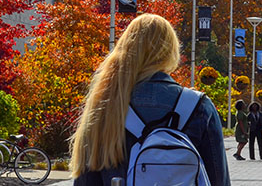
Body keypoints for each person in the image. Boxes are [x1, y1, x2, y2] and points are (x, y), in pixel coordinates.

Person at [70, 14, 230, 186]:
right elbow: (218, 179)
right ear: (171, 51)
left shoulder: (106, 105)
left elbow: (86, 180)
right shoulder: (198, 107)